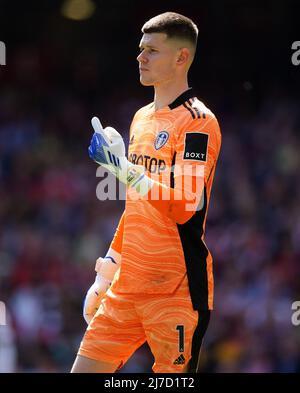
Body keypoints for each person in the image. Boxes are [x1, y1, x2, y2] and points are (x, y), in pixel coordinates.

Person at [71, 11, 221, 373]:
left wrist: (124, 170)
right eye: (140, 49)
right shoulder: (140, 118)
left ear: (181, 57)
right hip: (125, 289)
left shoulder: (199, 122)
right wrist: (105, 272)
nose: (140, 57)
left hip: (176, 291)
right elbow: (137, 208)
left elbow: (184, 205)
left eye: (152, 50)